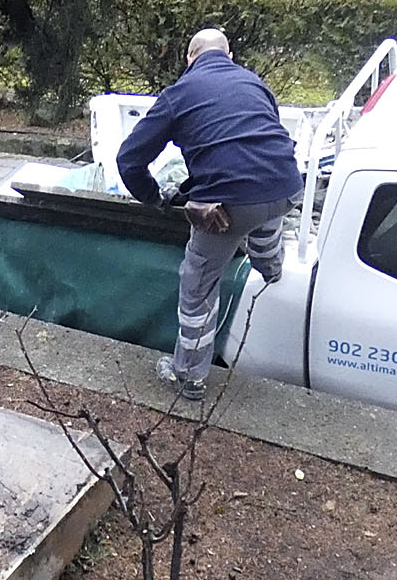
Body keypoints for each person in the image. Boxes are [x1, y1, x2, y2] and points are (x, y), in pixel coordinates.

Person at [115, 27, 303, 401]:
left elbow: (128, 159)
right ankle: (270, 267)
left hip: (227, 208)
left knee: (198, 283)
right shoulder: (254, 83)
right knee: (265, 212)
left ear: (189, 58)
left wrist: (158, 199)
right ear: (229, 56)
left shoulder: (179, 94)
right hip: (286, 186)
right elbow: (259, 144)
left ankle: (188, 376)